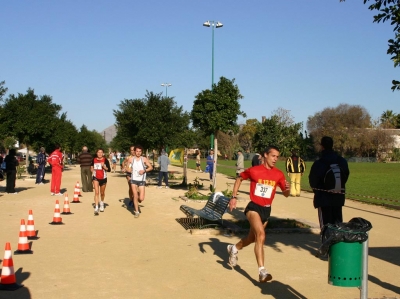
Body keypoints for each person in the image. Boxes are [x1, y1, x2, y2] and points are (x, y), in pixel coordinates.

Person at [227, 146, 290, 283]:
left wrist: (287, 189)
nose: (275, 159)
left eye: (277, 157)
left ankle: (234, 248)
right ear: (265, 155)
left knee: (252, 238)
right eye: (273, 156)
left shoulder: (279, 174)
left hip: (266, 210)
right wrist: (233, 197)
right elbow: (239, 179)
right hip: (254, 207)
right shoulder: (254, 171)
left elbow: (285, 194)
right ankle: (262, 271)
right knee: (261, 235)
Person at [309, 136, 349, 229]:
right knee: (338, 226)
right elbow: (345, 176)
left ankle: (327, 243)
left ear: (322, 146)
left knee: (326, 227)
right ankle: (337, 243)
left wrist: (318, 192)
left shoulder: (319, 163)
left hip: (324, 199)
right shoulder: (342, 161)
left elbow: (313, 181)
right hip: (338, 197)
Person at [130, 145, 153, 218]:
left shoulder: (144, 159)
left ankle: (137, 198)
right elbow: (127, 167)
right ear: (134, 151)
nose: (138, 153)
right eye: (137, 151)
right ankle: (136, 211)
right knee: (135, 196)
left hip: (141, 180)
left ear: (141, 152)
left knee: (141, 198)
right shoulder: (131, 159)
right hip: (133, 180)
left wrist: (144, 170)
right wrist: (127, 170)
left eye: (140, 151)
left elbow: (151, 167)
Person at [91, 148, 111, 215]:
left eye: (101, 152)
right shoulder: (94, 159)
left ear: (103, 153)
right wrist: (92, 170)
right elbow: (91, 167)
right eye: (98, 152)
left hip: (103, 178)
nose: (100, 154)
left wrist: (104, 167)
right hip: (95, 177)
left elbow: (109, 170)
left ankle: (102, 203)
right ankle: (96, 207)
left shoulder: (105, 160)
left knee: (102, 193)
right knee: (96, 192)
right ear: (96, 153)